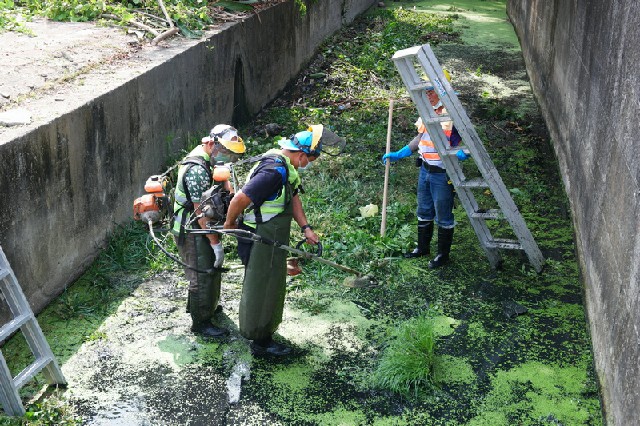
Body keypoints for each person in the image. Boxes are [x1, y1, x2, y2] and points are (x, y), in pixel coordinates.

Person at [223, 125, 335, 356]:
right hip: (260, 237)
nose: (307, 165)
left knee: (272, 284)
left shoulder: (286, 168)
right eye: (309, 160)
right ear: (301, 154)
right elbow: (240, 199)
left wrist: (306, 228)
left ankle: (266, 329)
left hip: (273, 236)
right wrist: (229, 225)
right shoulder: (273, 172)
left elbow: (292, 196)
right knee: (260, 287)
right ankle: (258, 339)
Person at [172, 124, 246, 338]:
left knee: (211, 270)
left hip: (200, 225)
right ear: (211, 144)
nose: (227, 158)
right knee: (201, 274)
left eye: (231, 155)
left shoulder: (210, 160)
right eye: (224, 152)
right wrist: (216, 244)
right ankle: (200, 323)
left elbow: (224, 187)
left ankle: (208, 306)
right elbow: (201, 215)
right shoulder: (196, 171)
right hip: (191, 228)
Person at [382, 72, 462, 269]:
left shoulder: (452, 114)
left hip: (442, 173)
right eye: (425, 91)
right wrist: (401, 153)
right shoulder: (427, 111)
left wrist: (462, 153)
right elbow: (420, 138)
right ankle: (423, 248)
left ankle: (443, 255)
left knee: (443, 213)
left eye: (430, 91)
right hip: (425, 170)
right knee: (424, 209)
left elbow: (463, 141)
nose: (427, 95)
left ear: (441, 91)